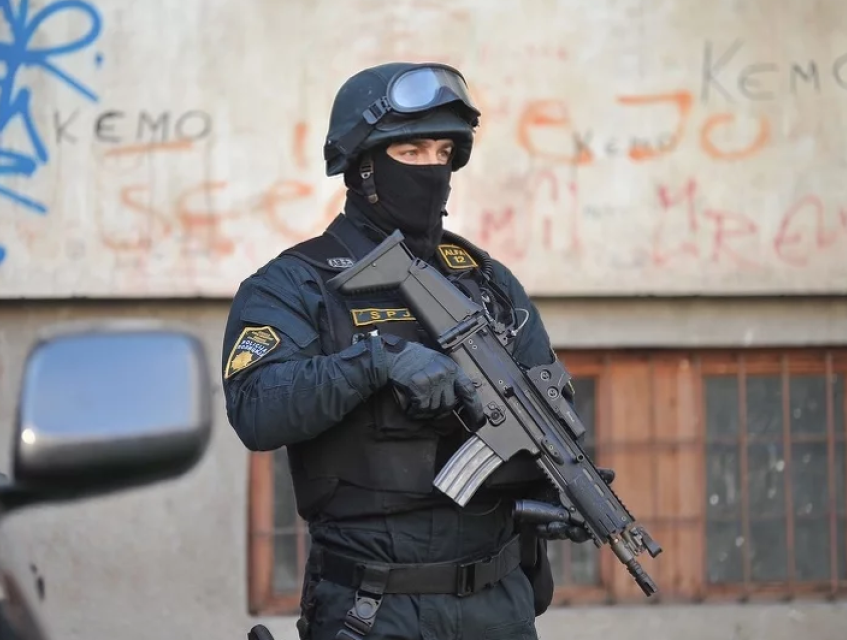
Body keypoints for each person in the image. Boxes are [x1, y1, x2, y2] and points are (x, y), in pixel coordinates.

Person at [222, 62, 614, 640]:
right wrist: (376, 362)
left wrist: (556, 491)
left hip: (499, 605)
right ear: (362, 167)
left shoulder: (486, 282)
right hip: (373, 607)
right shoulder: (297, 283)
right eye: (410, 151)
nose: (432, 168)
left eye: (443, 152)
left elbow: (543, 401)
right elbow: (256, 409)